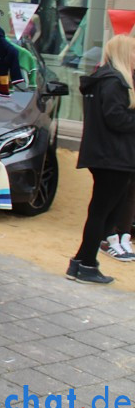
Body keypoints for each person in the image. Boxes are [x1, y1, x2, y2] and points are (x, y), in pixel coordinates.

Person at [67, 34, 135, 284]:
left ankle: (81, 262)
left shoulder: (104, 79)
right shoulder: (115, 82)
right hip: (113, 157)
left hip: (105, 155)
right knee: (102, 214)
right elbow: (115, 118)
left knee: (100, 212)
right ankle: (85, 264)